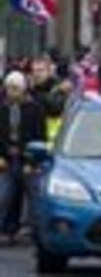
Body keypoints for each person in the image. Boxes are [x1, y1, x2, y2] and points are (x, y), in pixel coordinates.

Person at [0, 72, 45, 243]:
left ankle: (34, 230)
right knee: (6, 196)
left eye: (15, 88)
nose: (12, 92)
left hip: (28, 158)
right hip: (7, 158)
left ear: (24, 89)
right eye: (9, 88)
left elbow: (40, 136)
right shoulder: (2, 108)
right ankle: (8, 229)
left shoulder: (35, 109)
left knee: (33, 196)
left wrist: (31, 161)